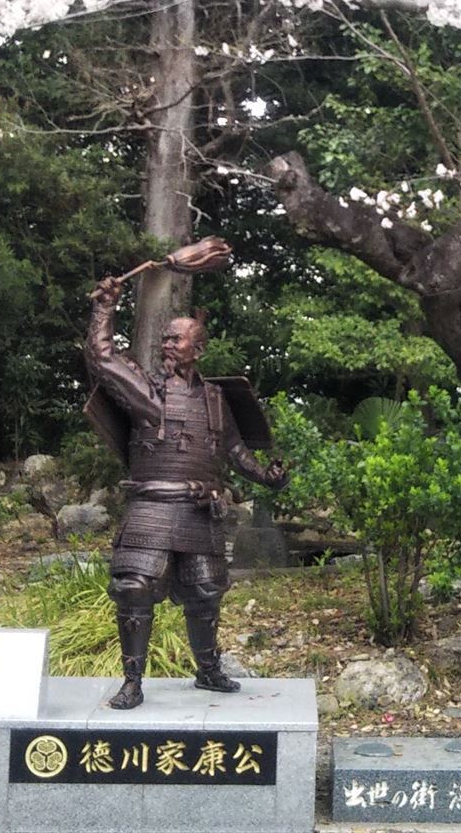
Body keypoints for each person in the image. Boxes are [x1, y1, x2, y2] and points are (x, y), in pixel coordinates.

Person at [86, 275, 289, 710]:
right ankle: (133, 681)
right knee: (134, 587)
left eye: (177, 339)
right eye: (165, 339)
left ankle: (209, 670)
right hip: (153, 506)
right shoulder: (146, 391)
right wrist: (105, 308)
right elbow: (103, 359)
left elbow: (233, 449)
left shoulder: (216, 398)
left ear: (198, 349)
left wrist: (267, 477)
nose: (167, 345)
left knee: (206, 592)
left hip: (201, 509)